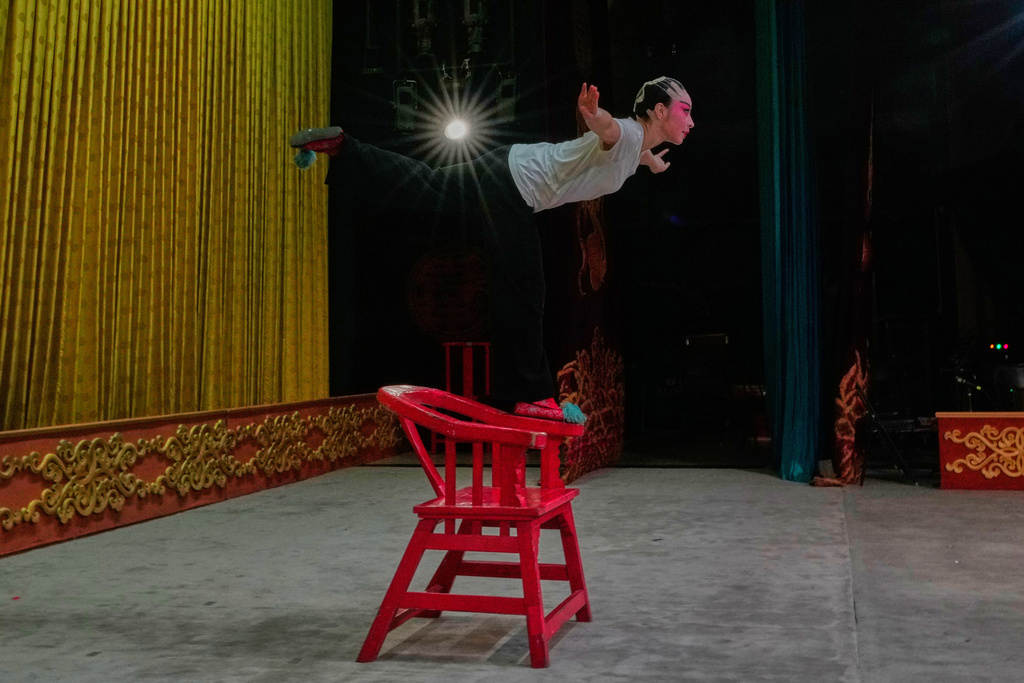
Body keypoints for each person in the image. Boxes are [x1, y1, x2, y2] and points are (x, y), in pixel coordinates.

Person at [291, 77, 695, 421]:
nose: (690, 121)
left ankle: (346, 147)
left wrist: (649, 163)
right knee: (525, 289)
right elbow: (610, 131)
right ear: (659, 111)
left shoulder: (635, 144)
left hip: (505, 167)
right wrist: (593, 115)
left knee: (425, 182)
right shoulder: (625, 133)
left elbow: (625, 150)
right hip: (514, 188)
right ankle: (532, 397)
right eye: (684, 110)